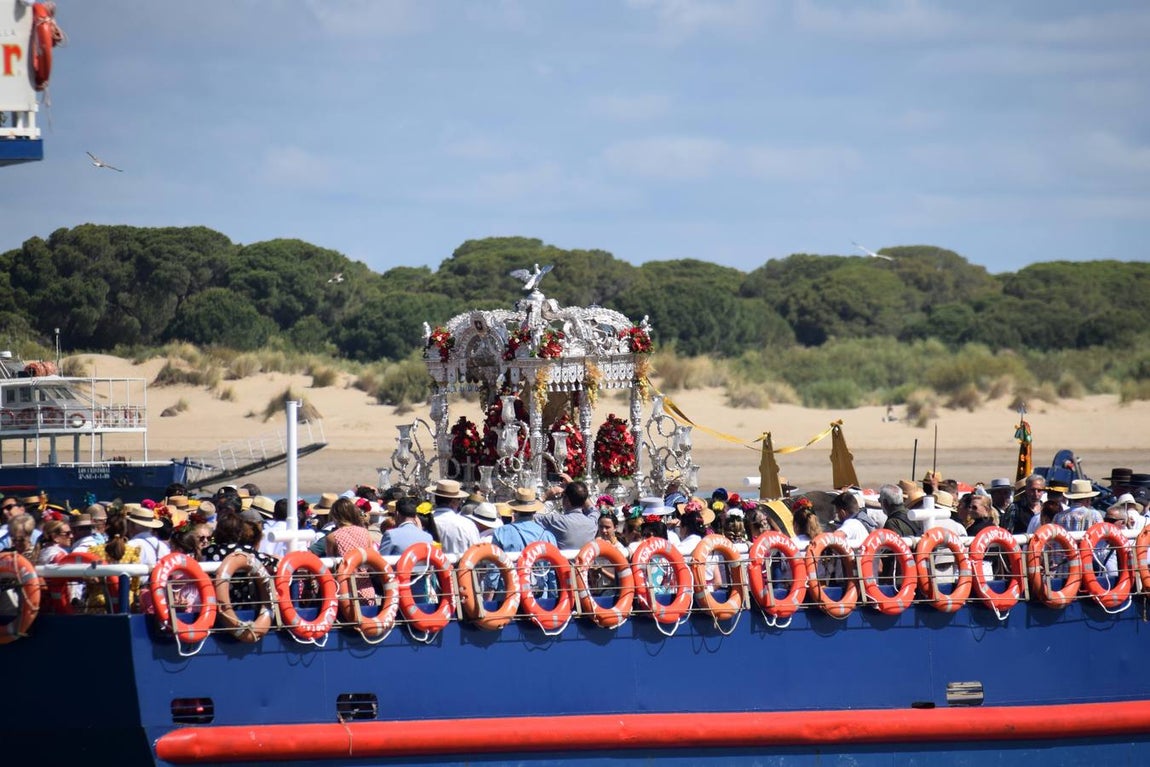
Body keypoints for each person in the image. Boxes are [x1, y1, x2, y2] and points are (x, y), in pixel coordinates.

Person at [324, 497, 377, 606]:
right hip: (366, 589)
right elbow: (372, 559)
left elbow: (330, 566)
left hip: (344, 590)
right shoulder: (365, 533)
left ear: (335, 516)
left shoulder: (332, 537)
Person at [536, 480, 597, 550]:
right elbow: (593, 510)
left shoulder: (557, 521)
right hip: (586, 560)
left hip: (564, 560)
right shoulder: (592, 522)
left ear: (567, 500)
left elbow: (528, 516)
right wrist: (576, 489)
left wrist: (545, 496)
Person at [424, 479, 479, 556]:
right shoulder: (467, 525)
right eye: (459, 500)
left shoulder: (424, 522)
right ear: (453, 502)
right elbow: (476, 553)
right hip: (461, 567)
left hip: (433, 566)